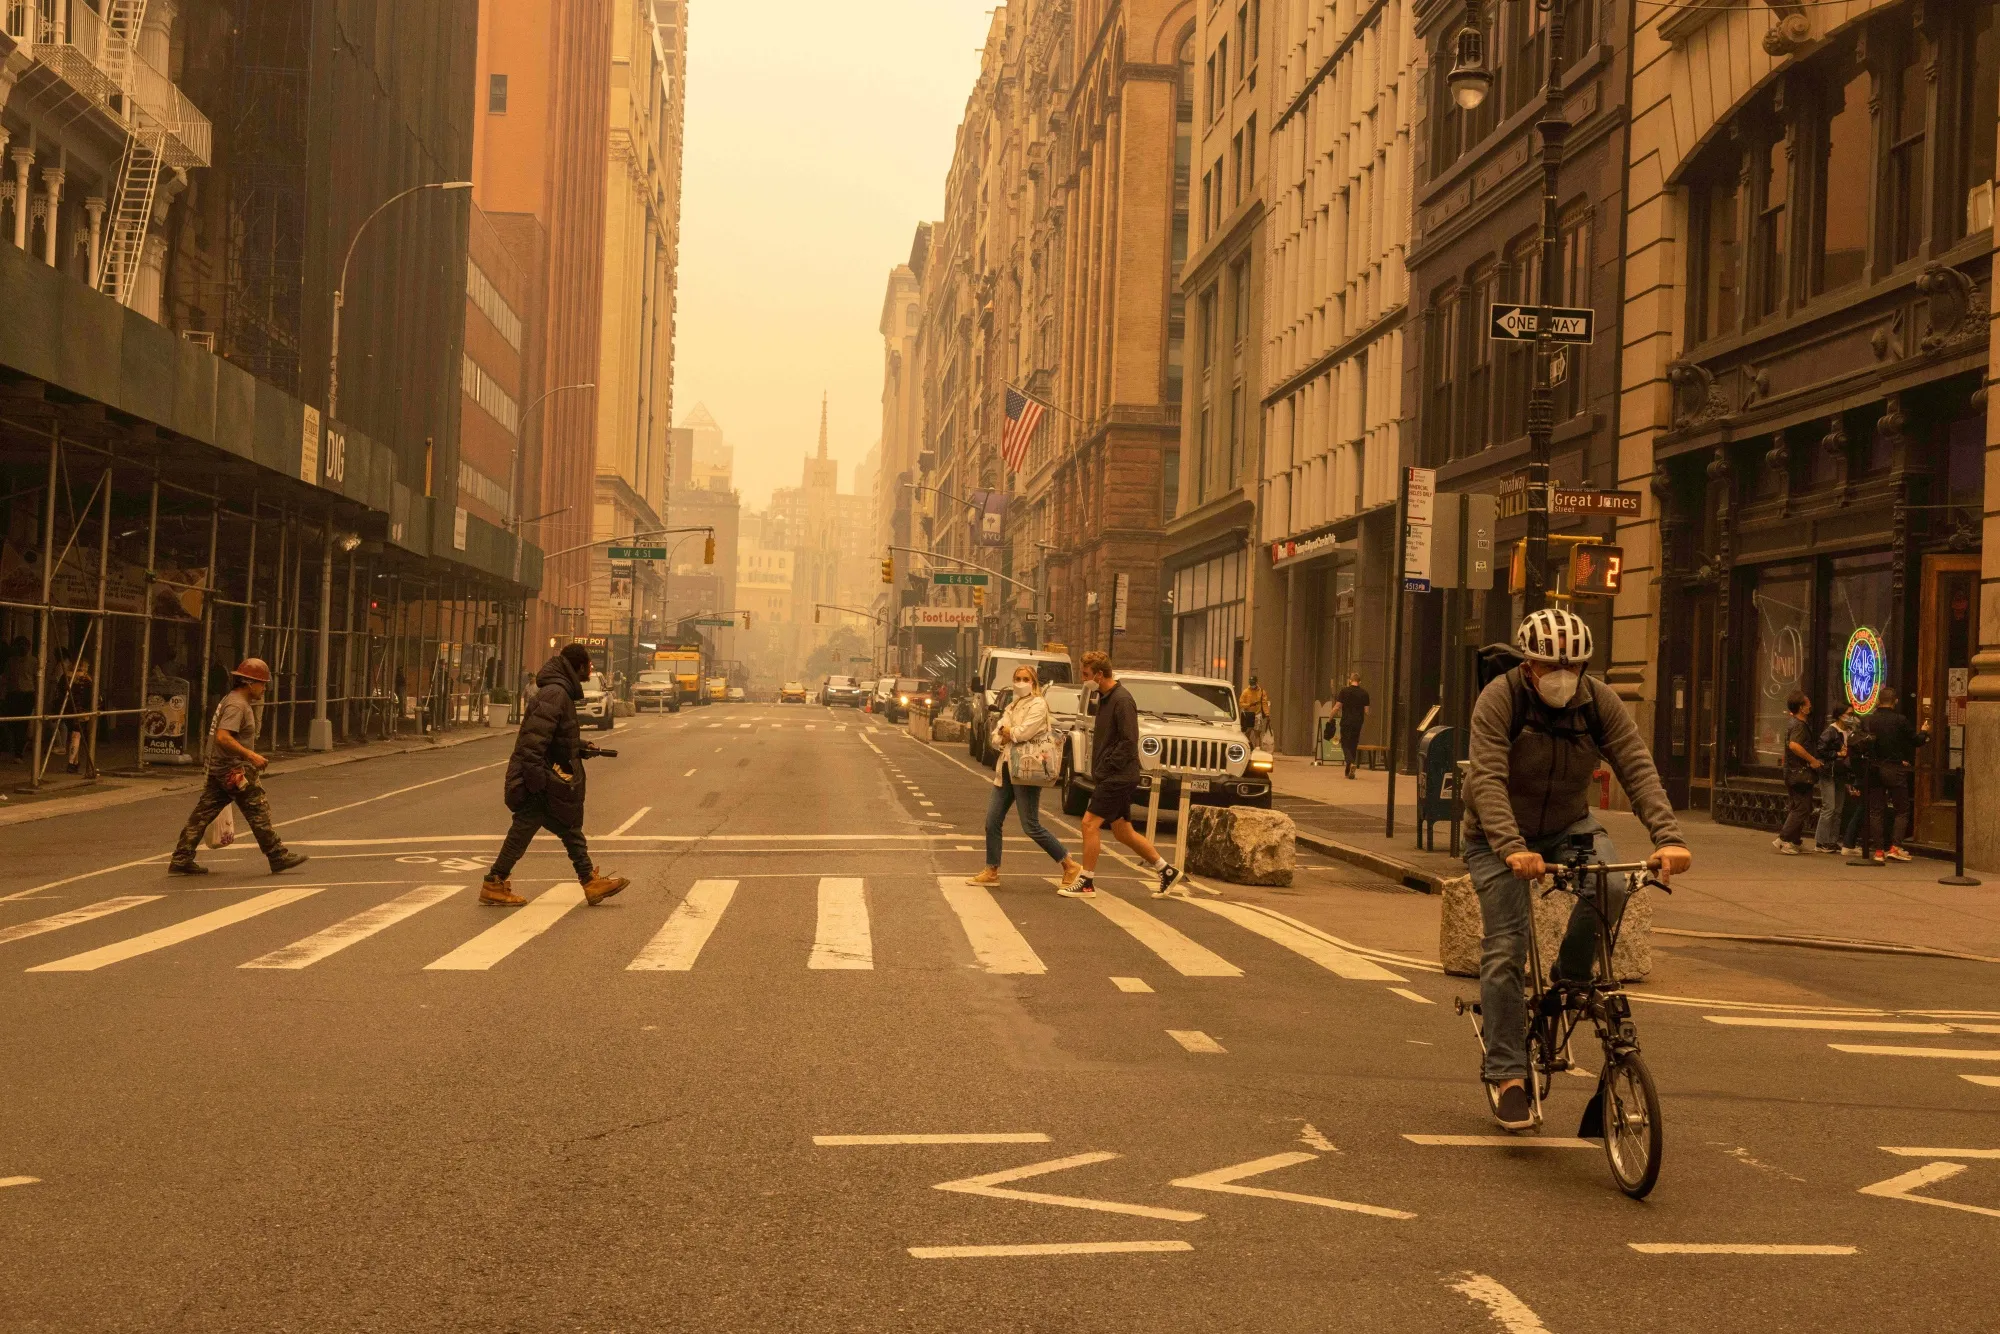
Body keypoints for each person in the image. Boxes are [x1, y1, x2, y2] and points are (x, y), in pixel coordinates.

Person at [1462, 608, 1691, 1132]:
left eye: (1574, 666)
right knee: (1504, 949)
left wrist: (1669, 838)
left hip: (1569, 825)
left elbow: (1636, 766)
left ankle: (1569, 975)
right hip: (1497, 836)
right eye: (1549, 667)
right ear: (1527, 666)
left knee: (1612, 879)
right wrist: (1512, 848)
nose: (1562, 677)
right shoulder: (1500, 698)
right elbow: (1489, 779)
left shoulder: (1598, 701)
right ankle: (1507, 1076)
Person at [482, 643, 629, 907]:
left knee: (568, 829)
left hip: (544, 777)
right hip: (539, 780)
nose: (591, 669)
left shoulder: (558, 692)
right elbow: (532, 743)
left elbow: (550, 738)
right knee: (534, 829)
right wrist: (539, 783)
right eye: (589, 665)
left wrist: (580, 748)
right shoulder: (555, 694)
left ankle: (589, 882)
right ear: (580, 666)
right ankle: (495, 883)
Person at [168, 658, 310, 876]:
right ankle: (277, 855)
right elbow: (223, 737)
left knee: (202, 814)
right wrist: (251, 755)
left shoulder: (233, 700)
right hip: (234, 769)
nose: (264, 688)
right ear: (249, 683)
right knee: (257, 810)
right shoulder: (237, 705)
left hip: (221, 768)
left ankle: (181, 857)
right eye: (262, 684)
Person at [1067, 650, 1181, 900]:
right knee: (1122, 831)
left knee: (1089, 824)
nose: (1083, 678)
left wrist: (1106, 766)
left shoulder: (1122, 700)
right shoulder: (1106, 698)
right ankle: (1167, 870)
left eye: (1086, 674)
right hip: (1114, 774)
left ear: (1099, 674)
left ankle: (1086, 882)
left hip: (1117, 776)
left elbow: (1129, 741)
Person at [966, 664, 1084, 890]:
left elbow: (1024, 733)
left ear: (1034, 683)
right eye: (1017, 678)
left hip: (1028, 770)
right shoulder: (1011, 705)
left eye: (1025, 678)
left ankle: (1069, 864)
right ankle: (992, 870)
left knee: (1030, 825)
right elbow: (995, 737)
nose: (1020, 682)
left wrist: (1008, 732)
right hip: (1008, 768)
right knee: (992, 821)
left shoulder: (1038, 704)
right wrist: (1006, 733)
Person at [1861, 686, 1927, 865]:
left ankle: (1879, 850)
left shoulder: (1869, 720)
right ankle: (1895, 847)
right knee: (1902, 809)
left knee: (1876, 810)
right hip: (1894, 768)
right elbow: (1915, 741)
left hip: (1874, 768)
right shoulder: (1900, 720)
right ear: (1895, 700)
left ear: (1878, 701)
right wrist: (1924, 731)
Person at [1773, 691, 1822, 854]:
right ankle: (1784, 839)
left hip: (1793, 772)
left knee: (1799, 806)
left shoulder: (1793, 723)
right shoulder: (1799, 725)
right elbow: (1794, 745)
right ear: (1802, 708)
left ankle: (1794, 840)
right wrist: (1812, 760)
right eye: (1808, 704)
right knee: (1802, 807)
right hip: (1799, 773)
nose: (1810, 706)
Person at [1815, 703, 1856, 854]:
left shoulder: (1850, 731)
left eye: (1852, 714)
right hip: (1828, 771)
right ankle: (1821, 841)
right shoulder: (1831, 731)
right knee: (1829, 807)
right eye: (1849, 714)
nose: (1851, 717)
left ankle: (1832, 841)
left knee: (1838, 808)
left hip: (1841, 772)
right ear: (1840, 715)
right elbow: (1820, 750)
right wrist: (1837, 754)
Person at [2, 636, 34, 761]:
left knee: (23, 723)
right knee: (12, 723)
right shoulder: (11, 661)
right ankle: (16, 746)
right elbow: (6, 679)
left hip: (27, 694)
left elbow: (36, 679)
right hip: (13, 694)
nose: (22, 648)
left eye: (24, 645)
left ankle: (19, 752)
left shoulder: (33, 661)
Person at [1335, 672, 1370, 779]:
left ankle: (1350, 762)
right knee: (1353, 745)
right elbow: (1367, 711)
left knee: (1345, 743)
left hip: (1346, 722)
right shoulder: (1364, 693)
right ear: (1360, 681)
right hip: (1358, 722)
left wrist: (1331, 717)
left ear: (1350, 680)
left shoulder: (1344, 691)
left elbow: (1337, 707)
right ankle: (1349, 771)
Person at [1238, 676, 1270, 746]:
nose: (1252, 685)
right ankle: (1249, 746)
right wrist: (1249, 705)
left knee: (1257, 733)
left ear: (1256, 682)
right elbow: (1241, 703)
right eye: (1251, 683)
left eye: (1253, 683)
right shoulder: (1245, 692)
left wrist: (1267, 714)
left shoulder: (1261, 692)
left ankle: (1257, 748)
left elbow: (1264, 703)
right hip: (1248, 714)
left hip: (1258, 714)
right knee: (1247, 733)